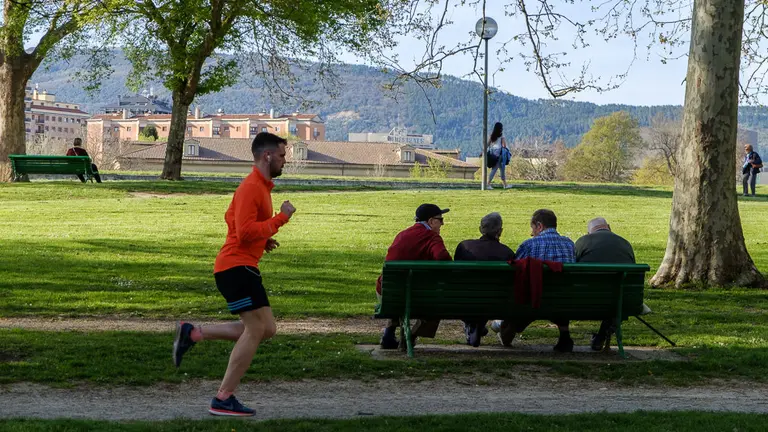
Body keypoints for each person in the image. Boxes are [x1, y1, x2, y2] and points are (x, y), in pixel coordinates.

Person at [172, 132, 296, 416]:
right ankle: (223, 398)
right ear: (267, 156)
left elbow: (234, 220)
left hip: (242, 267)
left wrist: (263, 240)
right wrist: (281, 219)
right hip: (235, 267)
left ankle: (193, 334)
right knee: (255, 329)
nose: (284, 161)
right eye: (281, 155)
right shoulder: (252, 187)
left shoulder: (261, 188)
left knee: (267, 329)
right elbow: (243, 232)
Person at [491, 209, 576, 352]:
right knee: (557, 290)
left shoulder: (529, 245)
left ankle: (507, 334)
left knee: (523, 297)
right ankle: (564, 335)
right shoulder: (569, 244)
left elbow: (515, 270)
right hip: (563, 301)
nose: (532, 233)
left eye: (532, 228)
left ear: (539, 226)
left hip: (533, 300)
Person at [376, 203, 452, 349]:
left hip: (387, 292)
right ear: (430, 221)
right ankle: (410, 337)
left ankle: (389, 332)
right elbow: (443, 258)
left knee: (400, 290)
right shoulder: (431, 237)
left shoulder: (402, 235)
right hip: (418, 295)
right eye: (440, 220)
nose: (442, 223)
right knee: (436, 304)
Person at [454, 212, 516, 347]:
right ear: (500, 231)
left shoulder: (464, 247)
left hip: (464, 300)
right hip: (495, 302)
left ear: (480, 229)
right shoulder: (507, 253)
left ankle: (473, 324)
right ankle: (478, 325)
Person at [574, 217, 636, 351]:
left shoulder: (584, 241)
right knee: (615, 300)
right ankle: (601, 337)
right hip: (619, 301)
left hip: (583, 300)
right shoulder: (625, 243)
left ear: (590, 231)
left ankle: (565, 338)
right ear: (608, 226)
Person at [487, 122, 509, 189]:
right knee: (495, 169)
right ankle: (487, 184)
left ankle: (505, 184)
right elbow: (504, 145)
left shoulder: (492, 135)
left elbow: (488, 144)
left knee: (501, 169)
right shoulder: (501, 135)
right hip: (499, 154)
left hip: (493, 154)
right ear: (501, 128)